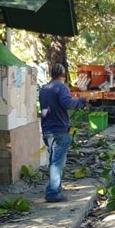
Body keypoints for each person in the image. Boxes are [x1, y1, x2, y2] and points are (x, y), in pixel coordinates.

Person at [39, 63, 87, 203]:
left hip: (47, 130)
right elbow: (67, 103)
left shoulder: (44, 89)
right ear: (63, 74)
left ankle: (56, 187)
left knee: (53, 160)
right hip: (59, 130)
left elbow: (45, 109)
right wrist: (81, 101)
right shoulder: (61, 87)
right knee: (57, 162)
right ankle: (53, 192)